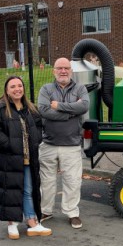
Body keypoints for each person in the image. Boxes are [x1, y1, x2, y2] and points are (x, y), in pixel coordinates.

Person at [0, 76, 51, 239]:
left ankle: (31, 221)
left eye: (20, 86)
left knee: (28, 190)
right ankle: (12, 223)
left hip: (29, 158)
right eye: (13, 86)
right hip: (8, 159)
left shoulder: (31, 108)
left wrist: (36, 140)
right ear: (7, 90)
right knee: (10, 191)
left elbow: (39, 126)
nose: (17, 89)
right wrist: (9, 145)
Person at [37, 57, 89, 229]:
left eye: (66, 68)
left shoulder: (80, 88)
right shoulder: (46, 89)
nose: (63, 71)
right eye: (59, 68)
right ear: (54, 71)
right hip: (48, 144)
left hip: (72, 144)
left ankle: (72, 212)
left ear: (71, 70)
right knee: (47, 181)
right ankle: (46, 210)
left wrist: (59, 106)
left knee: (72, 181)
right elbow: (44, 111)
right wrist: (70, 112)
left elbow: (84, 107)